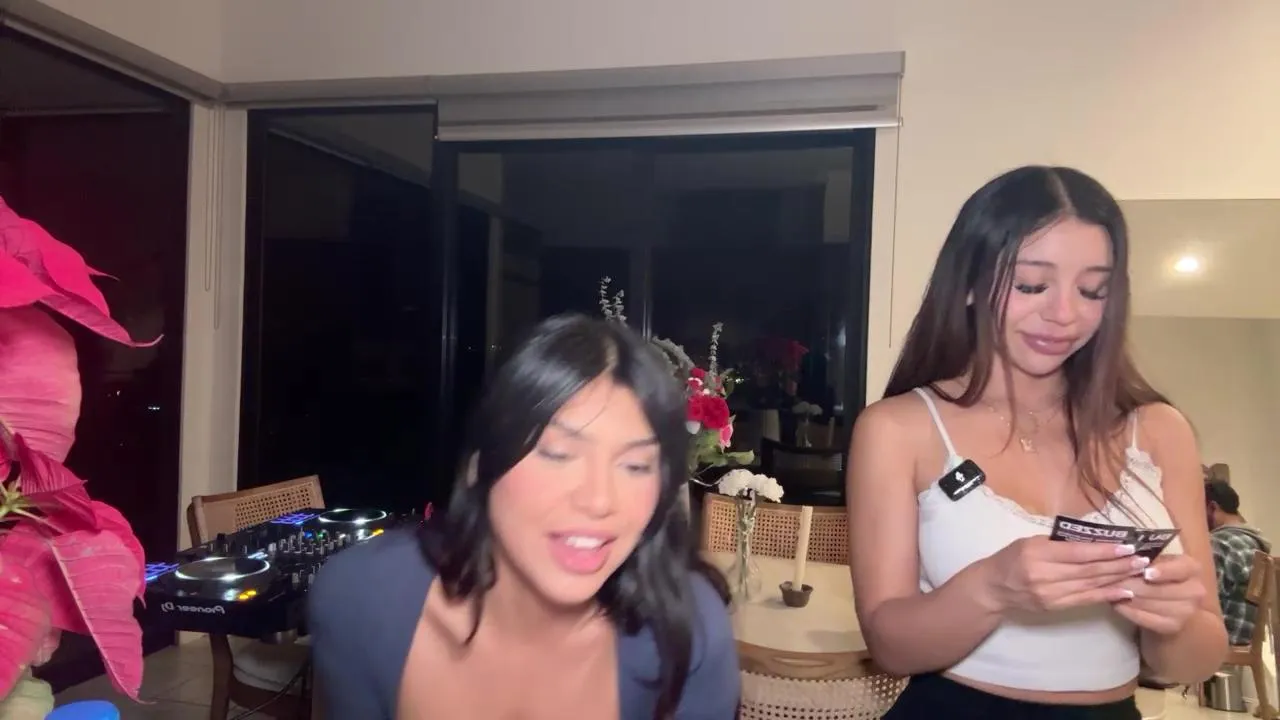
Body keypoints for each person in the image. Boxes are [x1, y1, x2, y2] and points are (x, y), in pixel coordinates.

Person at [847, 165, 1227, 719]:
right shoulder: (898, 428)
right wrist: (992, 588)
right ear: (969, 283)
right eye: (1031, 285)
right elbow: (890, 647)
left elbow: (1195, 661)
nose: (1064, 314)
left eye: (1092, 290)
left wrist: (1171, 622)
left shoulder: (1159, 430)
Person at [308, 314, 740, 719]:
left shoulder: (687, 633)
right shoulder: (362, 599)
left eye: (635, 465)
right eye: (558, 454)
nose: (599, 500)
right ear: (481, 464)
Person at [1205, 479, 1272, 646]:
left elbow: (1204, 602)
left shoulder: (1219, 543)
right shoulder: (1255, 542)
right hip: (1249, 638)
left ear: (1212, 507)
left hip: (1224, 640)